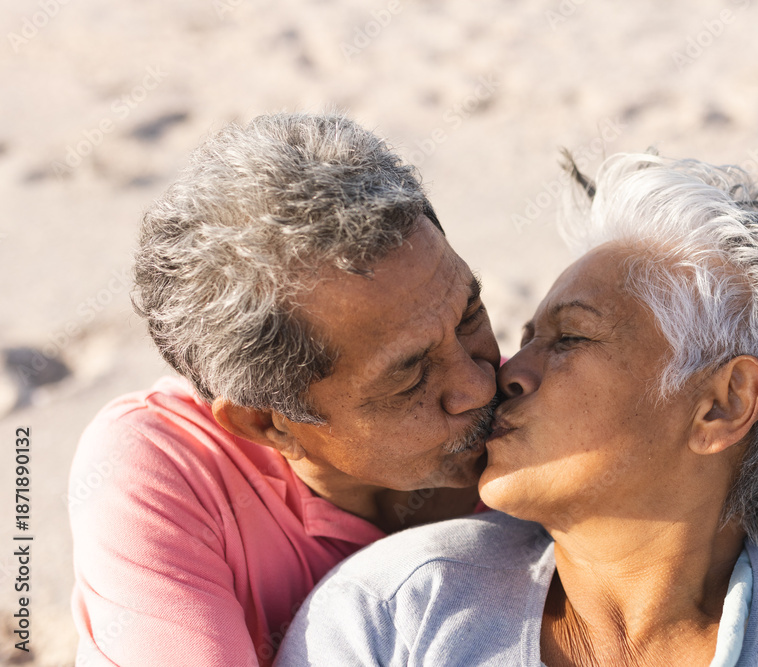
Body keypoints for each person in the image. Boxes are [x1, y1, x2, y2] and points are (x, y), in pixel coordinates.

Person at [276, 154, 758, 665]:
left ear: (721, 404)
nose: (507, 376)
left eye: (570, 338)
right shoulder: (392, 614)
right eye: (526, 341)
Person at [68, 113, 501, 666]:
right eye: (411, 375)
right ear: (266, 423)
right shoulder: (166, 470)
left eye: (470, 316)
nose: (479, 382)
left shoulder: (550, 406)